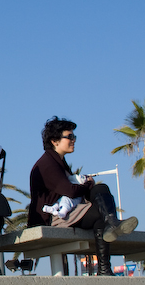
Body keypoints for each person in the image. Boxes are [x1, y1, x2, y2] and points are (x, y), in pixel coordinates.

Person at [28, 116, 138, 276]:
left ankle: (110, 233)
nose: (73, 140)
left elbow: (72, 191)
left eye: (74, 137)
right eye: (70, 137)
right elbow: (71, 191)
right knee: (100, 205)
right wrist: (87, 184)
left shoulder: (58, 161)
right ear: (54, 141)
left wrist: (89, 186)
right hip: (52, 217)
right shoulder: (47, 164)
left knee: (101, 191)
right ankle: (109, 238)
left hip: (65, 212)